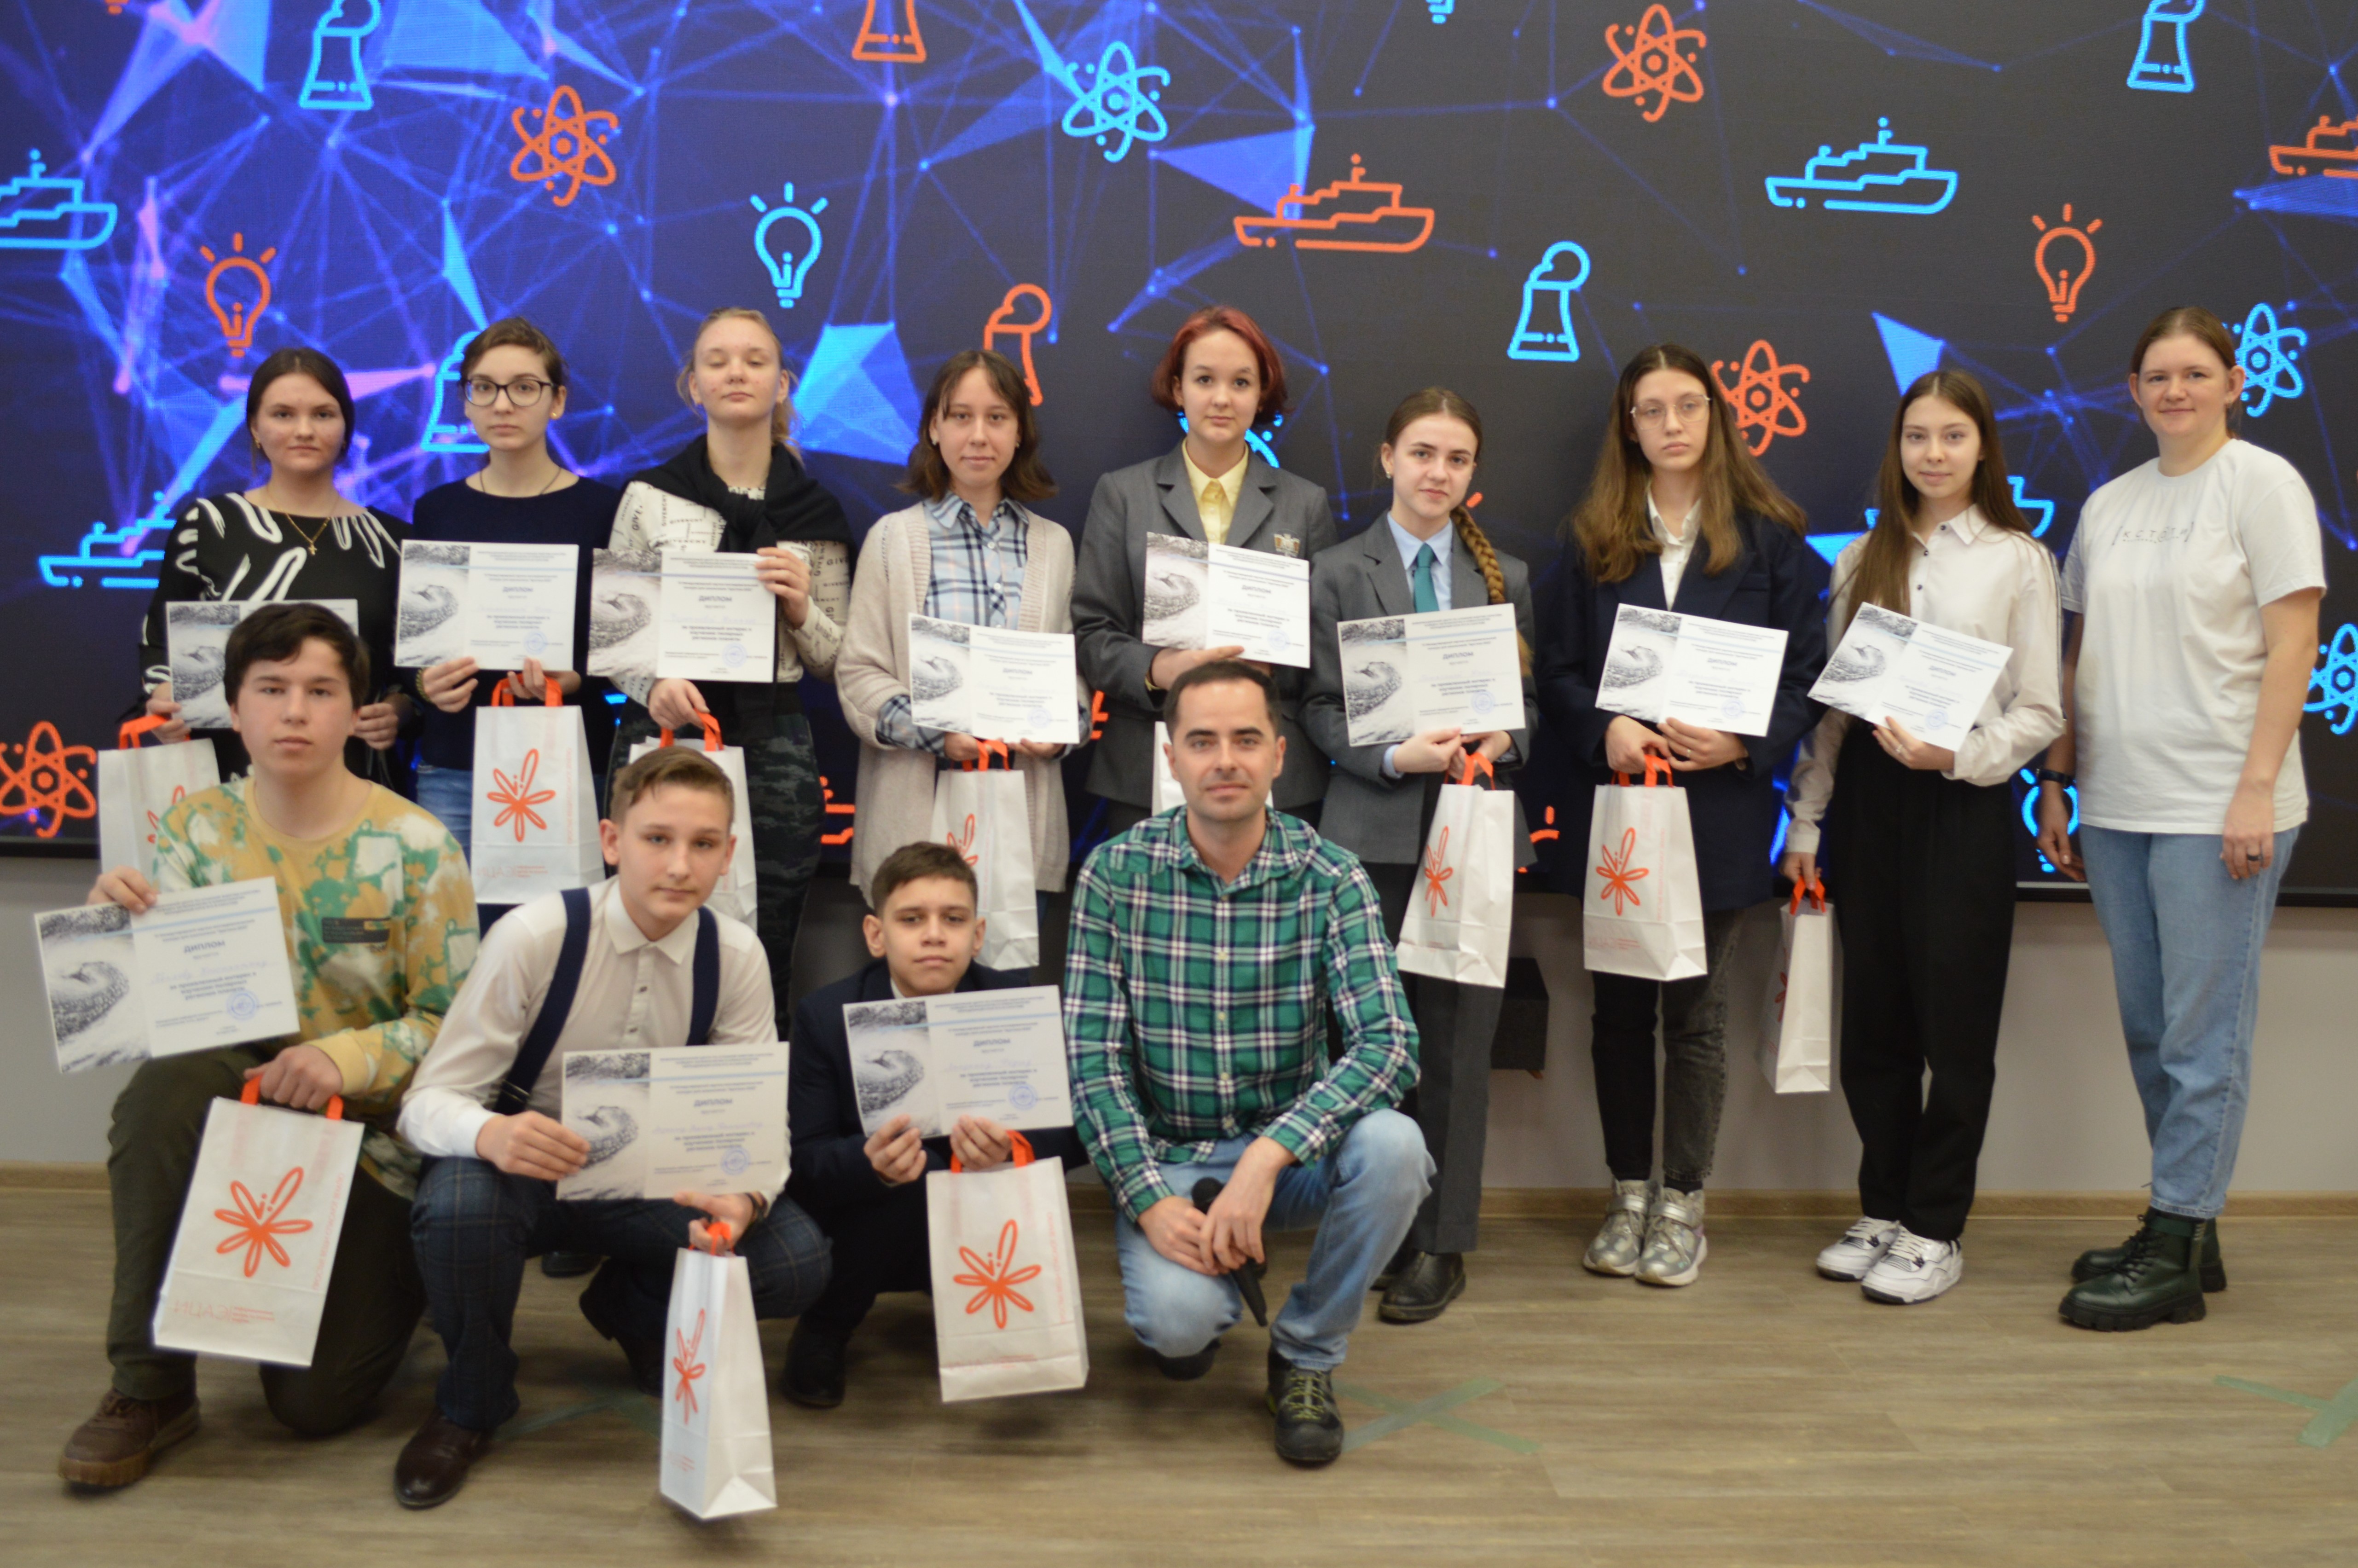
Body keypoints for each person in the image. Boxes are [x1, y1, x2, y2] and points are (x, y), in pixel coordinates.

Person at [58, 603, 477, 1489]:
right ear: (235, 708)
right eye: (272, 688)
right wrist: (115, 939)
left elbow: (451, 1024)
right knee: (162, 1091)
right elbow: (173, 1012)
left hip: (368, 1141)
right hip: (241, 1101)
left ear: (354, 709)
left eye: (321, 691)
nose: (294, 711)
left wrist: (340, 1058)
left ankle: (397, 1282)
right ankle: (149, 1386)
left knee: (311, 1408)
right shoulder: (195, 830)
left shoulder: (416, 844)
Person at [394, 746, 831, 1507]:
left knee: (795, 1259)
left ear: (728, 854)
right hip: (525, 1172)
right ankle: (470, 1400)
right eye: (656, 838)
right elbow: (426, 1101)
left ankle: (629, 1307)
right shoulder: (534, 936)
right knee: (459, 1203)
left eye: (702, 843)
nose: (679, 864)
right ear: (610, 840)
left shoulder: (736, 955)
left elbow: (758, 1124)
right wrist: (491, 1134)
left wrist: (747, 1197)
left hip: (654, 1180)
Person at [2037, 307, 2326, 1332]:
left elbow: (2293, 643)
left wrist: (2255, 787)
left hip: (2220, 804)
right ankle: (2185, 1228)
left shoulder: (2261, 485)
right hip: (2119, 802)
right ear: (2131, 391)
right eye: (2156, 375)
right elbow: (2077, 654)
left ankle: (2170, 1241)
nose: (2174, 391)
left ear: (2232, 383)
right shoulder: (2107, 505)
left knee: (2204, 1037)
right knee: (2151, 1029)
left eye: (2194, 373)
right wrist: (2057, 779)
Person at [1065, 660, 1430, 1467]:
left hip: (1290, 1157)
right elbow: (1092, 1064)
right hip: (1174, 1159)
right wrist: (1147, 1199)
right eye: (1201, 741)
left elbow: (1389, 1043)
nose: (1224, 760)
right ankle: (1196, 1291)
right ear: (1170, 758)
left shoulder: (1332, 876)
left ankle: (1305, 1352)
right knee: (1176, 1327)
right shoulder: (1114, 875)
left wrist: (1267, 1158)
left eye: (1245, 739)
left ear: (1278, 754)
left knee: (1395, 1146)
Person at [1535, 343, 1825, 1289]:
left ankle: (1683, 1204)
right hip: (1619, 811)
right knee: (1619, 1015)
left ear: (1714, 415)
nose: (1670, 424)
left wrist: (1742, 742)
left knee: (1695, 1017)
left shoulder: (1770, 539)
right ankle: (1627, 1194)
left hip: (1719, 812)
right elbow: (1557, 673)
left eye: (1687, 405)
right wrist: (1605, 728)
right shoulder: (1589, 538)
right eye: (1651, 409)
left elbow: (1805, 676)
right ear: (1627, 426)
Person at [1781, 370, 2062, 1305]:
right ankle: (1883, 1206)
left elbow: (2039, 708)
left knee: (1955, 1026)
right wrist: (1807, 817)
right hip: (1869, 804)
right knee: (1874, 1024)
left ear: (1981, 447)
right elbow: (1832, 711)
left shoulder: (2018, 559)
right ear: (1895, 447)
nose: (1931, 453)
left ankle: (1935, 1225)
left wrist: (1961, 755)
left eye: (1950, 435)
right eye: (1915, 436)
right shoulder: (1859, 558)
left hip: (1961, 802)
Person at [1302, 388, 1536, 1325]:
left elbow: (1529, 711)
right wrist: (1396, 755)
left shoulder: (1506, 575)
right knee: (1364, 1040)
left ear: (1473, 471)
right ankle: (1376, 1225)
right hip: (1370, 829)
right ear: (1386, 458)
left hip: (1470, 831)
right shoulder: (1333, 570)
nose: (1437, 472)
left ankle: (1440, 1242)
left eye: (1457, 458)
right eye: (1422, 453)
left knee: (1456, 1044)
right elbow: (1316, 708)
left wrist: (1500, 741)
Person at [606, 307, 854, 1025]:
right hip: (662, 738)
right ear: (694, 385)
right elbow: (612, 634)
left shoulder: (815, 509)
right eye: (716, 361)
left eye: (754, 360)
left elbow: (834, 659)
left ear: (783, 383)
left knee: (763, 943)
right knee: (642, 934)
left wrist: (801, 607)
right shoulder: (648, 497)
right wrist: (653, 684)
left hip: (775, 747)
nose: (736, 373)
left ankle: (751, 1088)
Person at [780, 840, 1082, 1408]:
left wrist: (1012, 1146)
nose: (935, 935)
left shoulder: (1017, 1003)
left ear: (978, 933)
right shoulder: (825, 1015)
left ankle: (989, 1316)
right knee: (910, 1170)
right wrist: (868, 1163)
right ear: (876, 934)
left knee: (949, 1168)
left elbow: (1076, 1130)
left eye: (954, 919)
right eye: (912, 919)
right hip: (868, 1222)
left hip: (987, 1215)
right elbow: (805, 1159)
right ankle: (826, 1327)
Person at [1071, 305, 1336, 834]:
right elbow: (1092, 634)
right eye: (1203, 379)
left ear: (1261, 393)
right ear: (1177, 388)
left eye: (1240, 382)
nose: (1221, 398)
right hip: (1146, 759)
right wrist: (1160, 668)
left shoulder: (1304, 505)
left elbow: (1325, 650)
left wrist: (1273, 666)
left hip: (1274, 769)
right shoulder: (1123, 494)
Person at [835, 349, 1084, 907]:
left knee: (1009, 962)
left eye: (996, 417)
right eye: (960, 416)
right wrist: (936, 734)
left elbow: (1072, 676)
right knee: (920, 954)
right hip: (914, 813)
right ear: (934, 427)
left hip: (1020, 809)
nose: (978, 435)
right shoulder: (892, 539)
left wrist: (1062, 728)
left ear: (1019, 432)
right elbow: (858, 675)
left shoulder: (1054, 546)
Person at [137, 346, 413, 781]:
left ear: (345, 427)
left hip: (354, 775)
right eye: (283, 414)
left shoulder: (393, 541)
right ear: (254, 427)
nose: (304, 430)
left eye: (323, 414)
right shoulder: (208, 526)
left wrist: (398, 711)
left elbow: (412, 673)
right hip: (228, 773)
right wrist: (165, 697)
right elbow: (159, 640)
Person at [406, 316, 623, 868]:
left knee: (571, 918)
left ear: (557, 401)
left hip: (571, 758)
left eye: (524, 387)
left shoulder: (605, 510)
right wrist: (425, 684)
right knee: (453, 917)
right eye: (484, 387)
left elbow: (625, 644)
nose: (502, 404)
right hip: (455, 759)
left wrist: (577, 677)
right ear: (466, 401)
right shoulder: (436, 511)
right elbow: (413, 649)